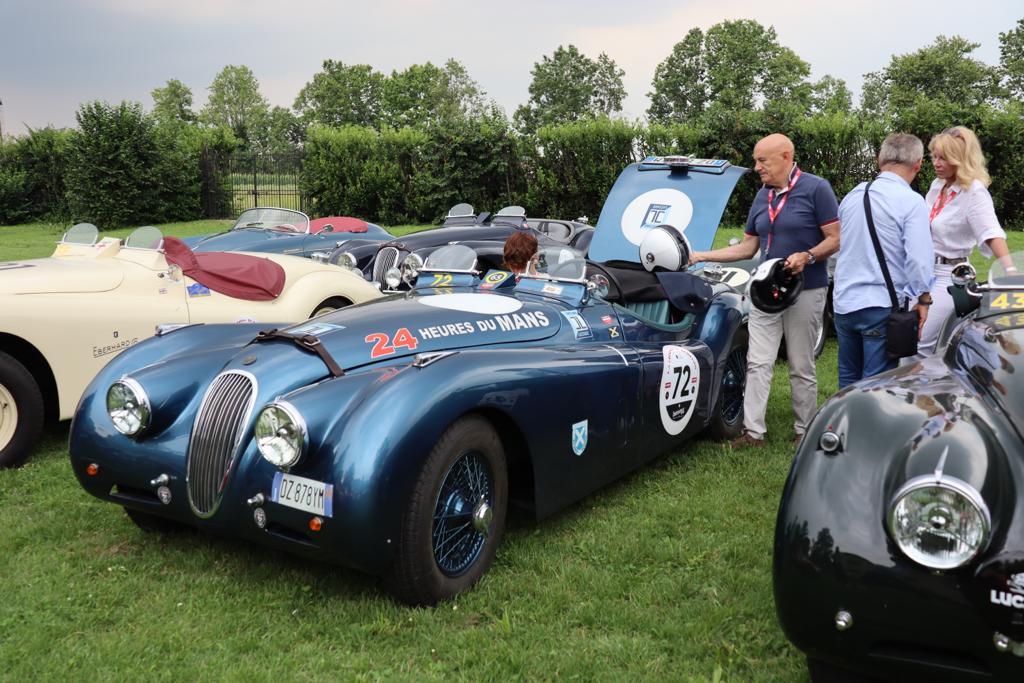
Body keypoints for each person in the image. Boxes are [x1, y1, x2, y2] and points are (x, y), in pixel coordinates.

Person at [689, 133, 840, 448]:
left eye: (762, 160)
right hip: (763, 292)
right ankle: (753, 432)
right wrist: (702, 255)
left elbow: (835, 238)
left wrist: (808, 256)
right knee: (758, 362)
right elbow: (747, 247)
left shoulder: (817, 188)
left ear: (786, 157)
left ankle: (804, 430)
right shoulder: (762, 196)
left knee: (801, 363)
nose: (757, 167)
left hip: (805, 291)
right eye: (756, 161)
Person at [832, 133, 934, 389]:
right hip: (880, 303)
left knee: (848, 379)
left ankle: (845, 416)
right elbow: (919, 260)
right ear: (919, 164)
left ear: (880, 160)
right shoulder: (912, 201)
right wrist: (923, 298)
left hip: (844, 302)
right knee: (877, 385)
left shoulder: (853, 195)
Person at [919, 126, 1013, 354]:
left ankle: (923, 377)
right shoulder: (937, 186)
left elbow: (991, 232)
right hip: (923, 270)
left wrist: (1010, 270)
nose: (936, 163)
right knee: (909, 336)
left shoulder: (974, 192)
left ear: (959, 159)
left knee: (921, 341)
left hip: (948, 275)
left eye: (943, 158)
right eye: (934, 156)